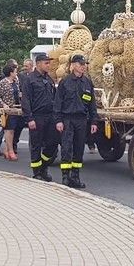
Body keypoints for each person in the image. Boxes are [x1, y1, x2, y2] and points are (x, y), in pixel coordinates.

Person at [54, 54, 98, 189]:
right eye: (80, 64)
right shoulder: (65, 82)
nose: (83, 67)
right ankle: (65, 177)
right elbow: (58, 102)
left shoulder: (87, 82)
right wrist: (58, 120)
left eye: (84, 64)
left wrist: (94, 122)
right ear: (73, 65)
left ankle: (75, 177)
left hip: (81, 120)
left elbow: (92, 104)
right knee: (67, 148)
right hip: (67, 119)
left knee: (79, 148)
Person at [21, 52, 60, 181]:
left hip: (50, 117)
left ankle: (43, 166)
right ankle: (37, 172)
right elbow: (26, 100)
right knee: (36, 145)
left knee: (53, 143)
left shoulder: (48, 79)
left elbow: (54, 97)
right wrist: (29, 118)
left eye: (49, 63)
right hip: (37, 117)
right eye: (46, 63)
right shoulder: (30, 79)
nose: (49, 65)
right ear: (38, 64)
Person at [0, 64, 21, 161]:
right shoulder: (3, 83)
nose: (16, 73)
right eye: (15, 71)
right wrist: (3, 104)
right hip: (7, 110)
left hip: (16, 108)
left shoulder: (16, 81)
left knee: (13, 130)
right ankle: (11, 151)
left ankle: (7, 149)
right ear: (11, 73)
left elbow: (17, 93)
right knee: (8, 130)